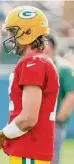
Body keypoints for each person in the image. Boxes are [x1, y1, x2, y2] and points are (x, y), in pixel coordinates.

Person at [0, 6, 59, 164]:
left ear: (28, 32)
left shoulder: (33, 62)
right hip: (29, 152)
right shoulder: (37, 61)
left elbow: (28, 119)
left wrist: (0, 136)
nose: (10, 37)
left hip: (29, 153)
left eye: (13, 32)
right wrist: (3, 138)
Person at [44, 34, 74, 164]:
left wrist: (59, 118)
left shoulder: (63, 68)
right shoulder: (38, 65)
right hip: (37, 120)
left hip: (52, 121)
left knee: (51, 158)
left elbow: (71, 93)